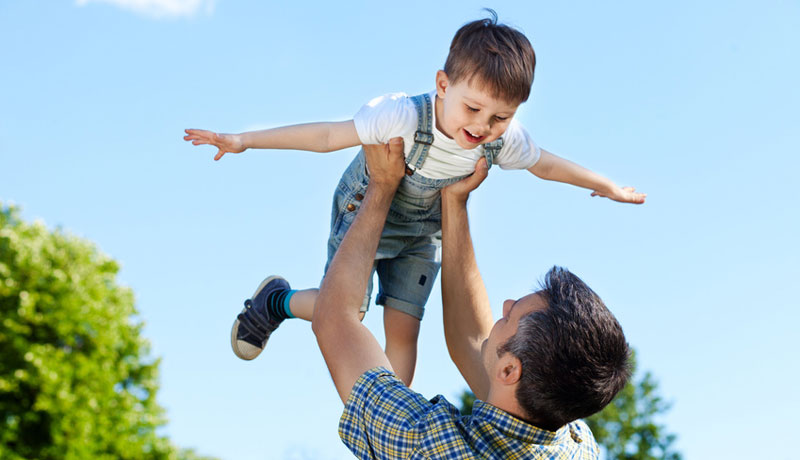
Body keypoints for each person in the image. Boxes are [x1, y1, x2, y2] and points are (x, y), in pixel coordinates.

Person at [184, 10, 645, 386]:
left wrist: (604, 185)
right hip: (368, 207)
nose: (483, 126)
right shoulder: (401, 115)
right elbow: (327, 136)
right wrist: (243, 140)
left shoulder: (502, 139)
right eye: (473, 108)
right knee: (348, 309)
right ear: (443, 85)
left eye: (501, 117)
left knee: (405, 327)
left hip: (425, 232)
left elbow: (545, 164)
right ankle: (277, 302)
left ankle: (391, 426)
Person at [311, 138, 630, 459]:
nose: (504, 306)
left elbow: (335, 319)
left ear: (509, 371)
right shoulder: (573, 442)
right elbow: (472, 341)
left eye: (511, 317)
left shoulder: (433, 448)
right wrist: (455, 201)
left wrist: (380, 187)